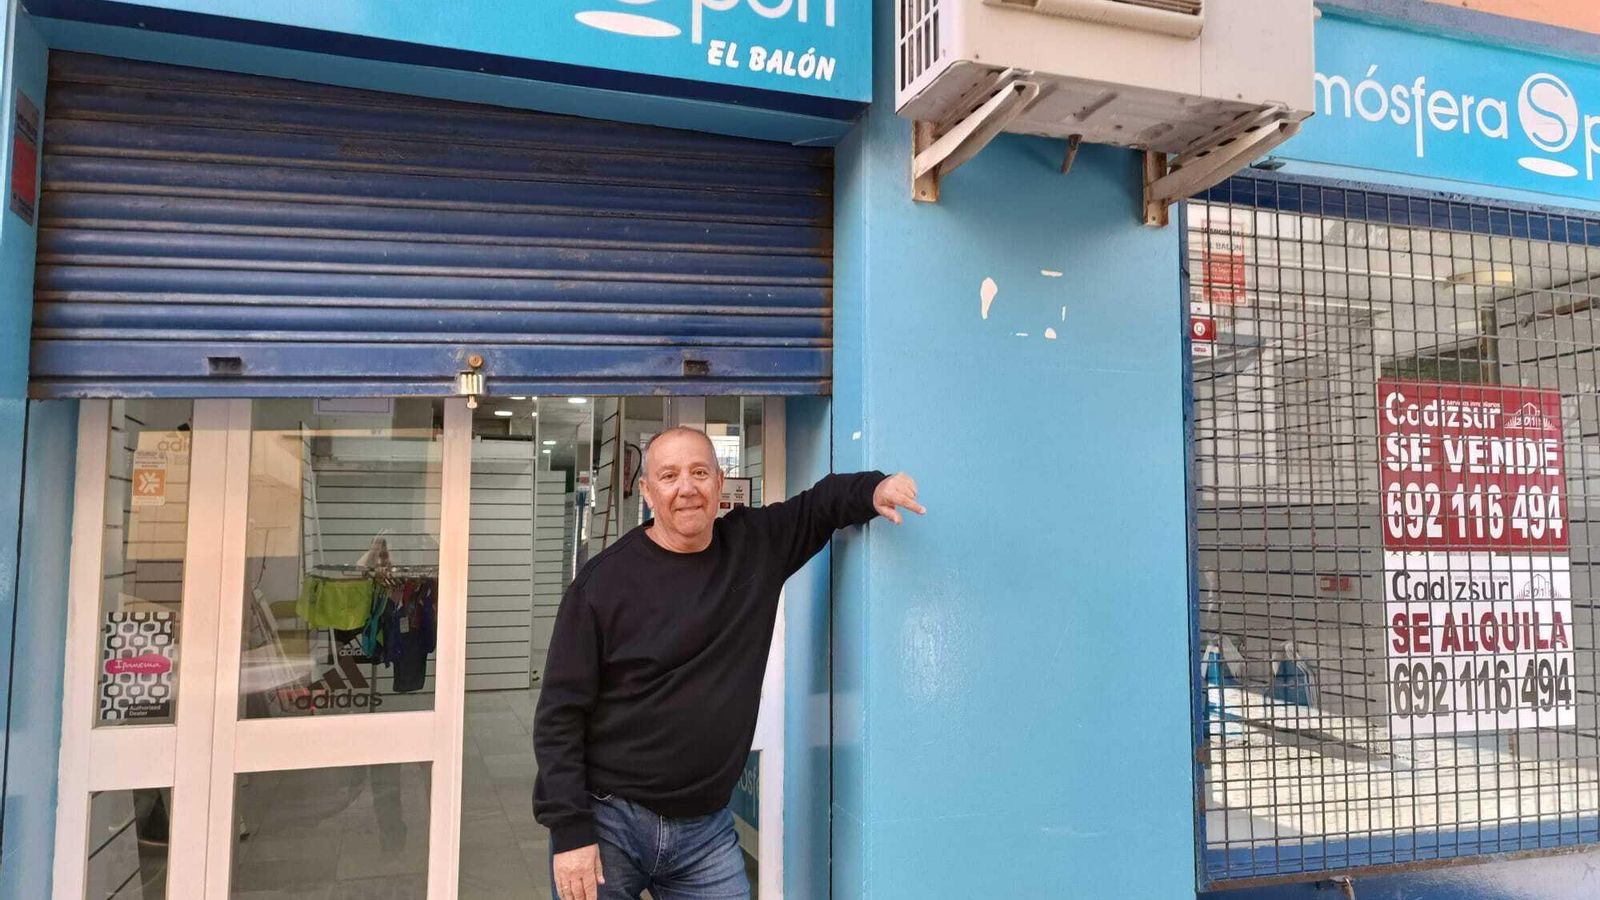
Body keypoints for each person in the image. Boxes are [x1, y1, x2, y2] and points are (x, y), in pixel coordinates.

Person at [534, 426, 924, 900]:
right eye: (670, 475)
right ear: (648, 491)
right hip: (610, 820)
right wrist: (571, 832)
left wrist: (874, 489)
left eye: (699, 472)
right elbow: (559, 716)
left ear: (720, 483)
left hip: (704, 830)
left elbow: (820, 504)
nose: (686, 488)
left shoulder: (752, 545)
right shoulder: (602, 586)